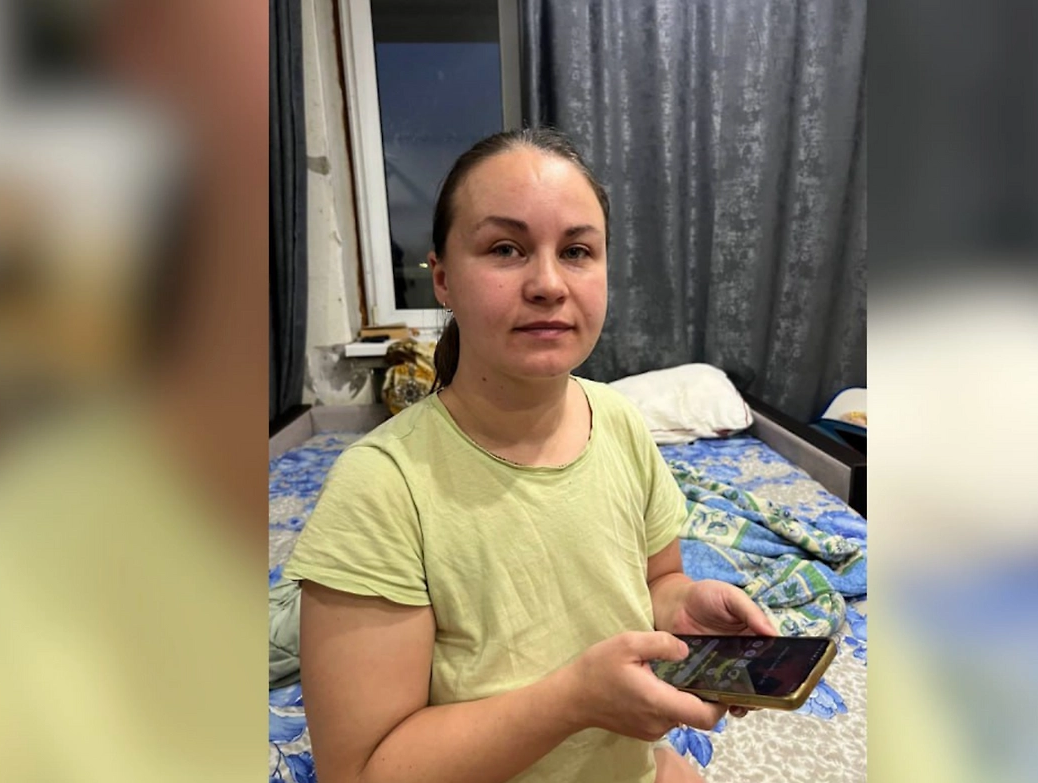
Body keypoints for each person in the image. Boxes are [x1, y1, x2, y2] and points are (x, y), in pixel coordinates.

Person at [283, 128, 777, 783]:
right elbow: (362, 769)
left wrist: (684, 606)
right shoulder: (381, 487)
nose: (548, 283)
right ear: (443, 278)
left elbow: (656, 581)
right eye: (505, 249)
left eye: (576, 251)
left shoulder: (621, 424)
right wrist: (575, 700)